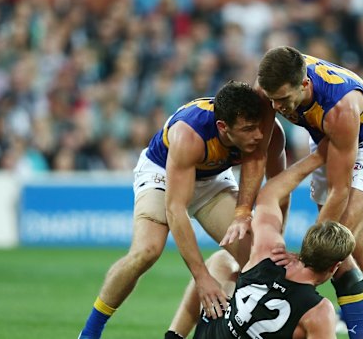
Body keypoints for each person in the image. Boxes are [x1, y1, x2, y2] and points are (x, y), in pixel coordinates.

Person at [78, 80, 286, 339]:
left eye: (259, 127)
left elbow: (277, 187)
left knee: (261, 260)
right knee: (146, 251)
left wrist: (259, 227)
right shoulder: (188, 133)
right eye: (248, 129)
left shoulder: (268, 132)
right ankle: (90, 332)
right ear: (223, 127)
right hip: (163, 174)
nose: (257, 135)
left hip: (212, 180)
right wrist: (202, 278)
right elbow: (176, 210)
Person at [251, 46, 363, 339]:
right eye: (273, 100)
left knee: (335, 252)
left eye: (284, 100)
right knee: (357, 258)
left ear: (304, 85)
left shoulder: (340, 108)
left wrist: (306, 257)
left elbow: (340, 190)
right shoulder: (270, 88)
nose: (277, 108)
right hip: (328, 140)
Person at [166, 139, 356, 339]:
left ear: (305, 247)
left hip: (212, 334)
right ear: (335, 266)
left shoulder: (268, 252)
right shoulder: (319, 311)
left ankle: (173, 336)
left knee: (222, 261)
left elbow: (270, 193)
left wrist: (317, 157)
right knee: (223, 261)